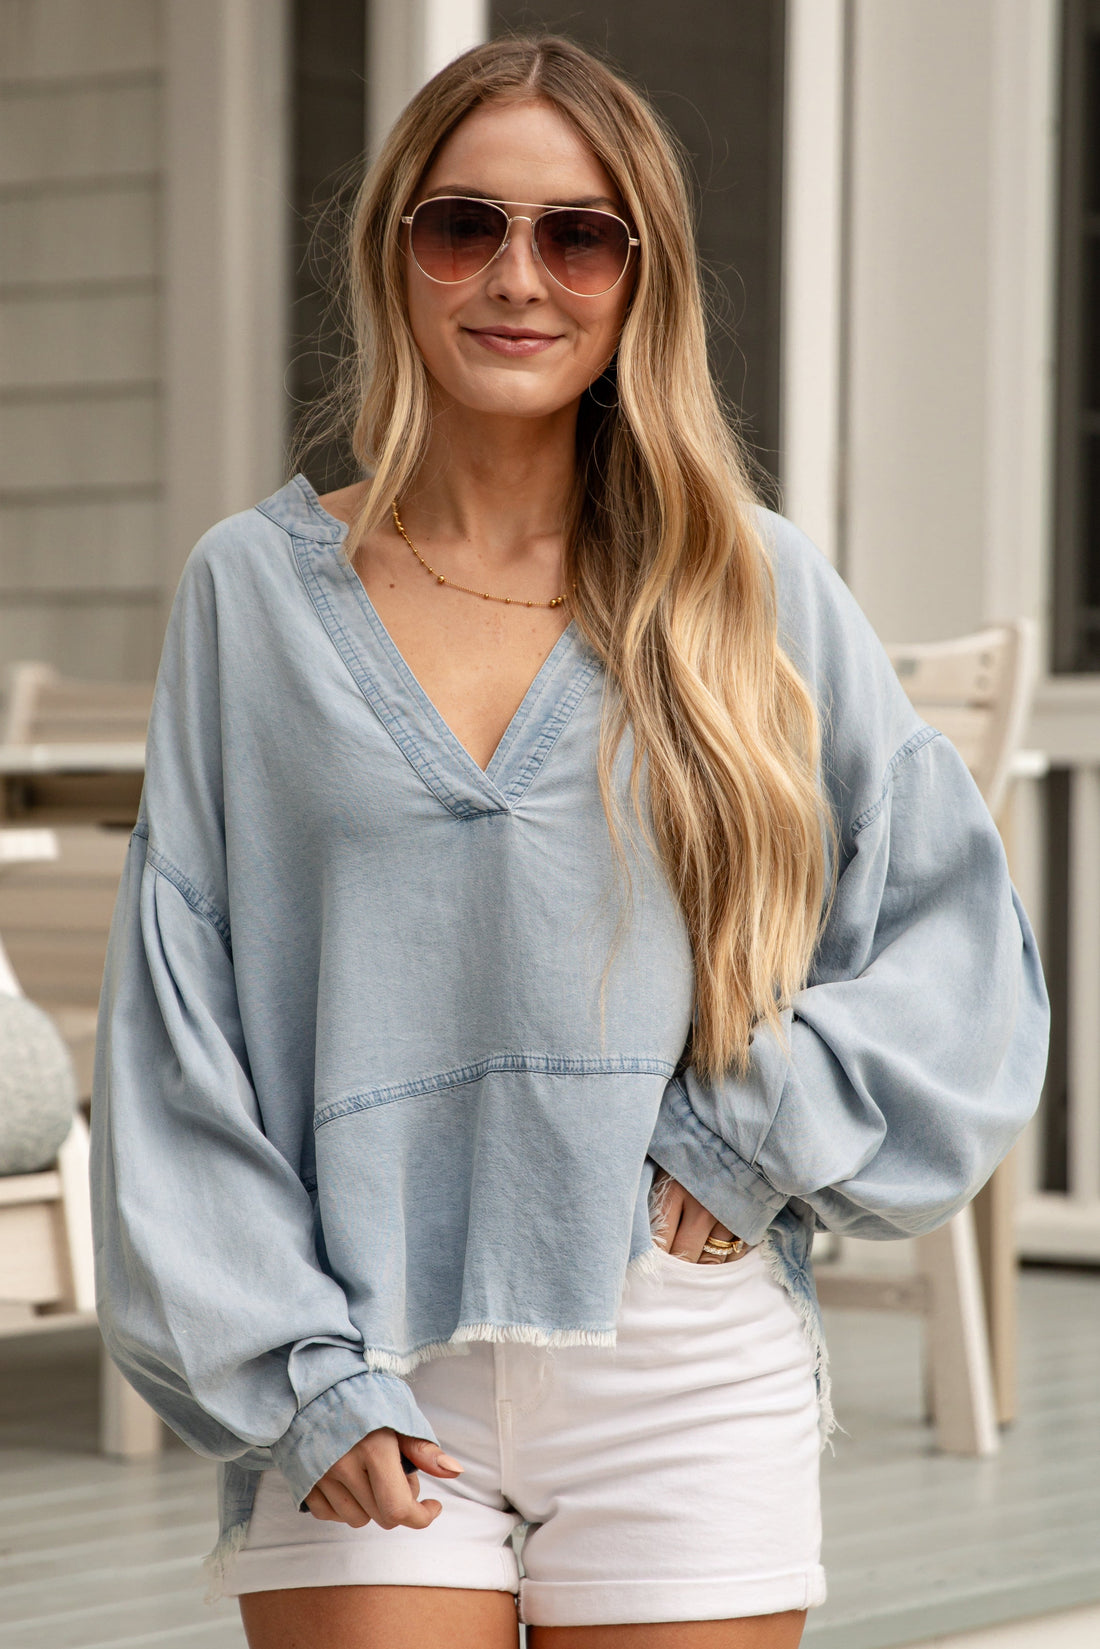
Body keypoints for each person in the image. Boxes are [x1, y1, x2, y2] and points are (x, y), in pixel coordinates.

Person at [90, 33, 1049, 1649]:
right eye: (465, 224)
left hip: (682, 1357)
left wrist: (751, 1132)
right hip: (364, 1361)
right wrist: (297, 1372)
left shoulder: (747, 585)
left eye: (578, 235)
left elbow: (956, 938)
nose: (517, 277)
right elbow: (176, 1028)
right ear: (395, 252)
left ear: (638, 276)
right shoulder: (248, 599)